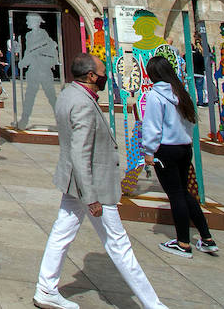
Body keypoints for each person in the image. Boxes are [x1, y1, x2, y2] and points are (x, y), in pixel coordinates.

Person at [34, 53, 167, 309]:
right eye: (103, 71)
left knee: (62, 233)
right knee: (119, 244)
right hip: (93, 185)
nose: (107, 76)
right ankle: (154, 304)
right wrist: (91, 196)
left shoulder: (68, 94)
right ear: (92, 76)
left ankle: (46, 288)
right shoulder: (83, 104)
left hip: (75, 182)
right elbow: (80, 152)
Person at [140, 56, 218, 258]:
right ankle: (207, 238)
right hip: (184, 148)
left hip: (165, 150)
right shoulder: (181, 93)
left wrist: (149, 151)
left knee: (175, 195)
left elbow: (152, 127)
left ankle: (183, 242)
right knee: (184, 192)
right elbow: (190, 122)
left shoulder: (155, 96)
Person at [17, 13, 60, 128]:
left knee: (51, 96)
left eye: (28, 21)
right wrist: (23, 62)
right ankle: (24, 120)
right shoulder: (29, 35)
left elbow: (36, 50)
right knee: (29, 96)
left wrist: (25, 60)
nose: (26, 23)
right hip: (33, 70)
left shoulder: (43, 35)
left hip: (43, 69)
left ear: (35, 22)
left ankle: (60, 120)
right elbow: (28, 51)